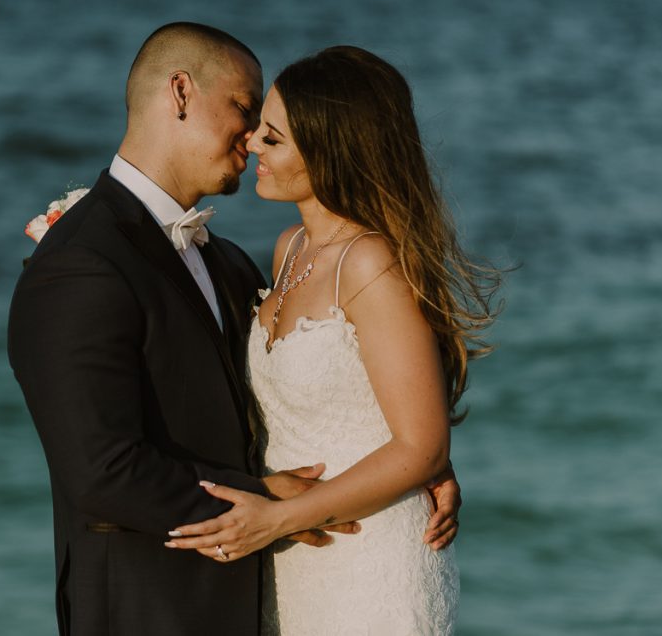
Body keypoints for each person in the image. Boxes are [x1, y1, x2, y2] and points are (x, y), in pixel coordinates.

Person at [8, 25, 462, 636]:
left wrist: (416, 459)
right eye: (245, 109)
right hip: (154, 607)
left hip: (306, 578)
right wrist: (270, 501)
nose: (252, 138)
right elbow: (101, 471)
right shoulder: (81, 261)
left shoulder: (228, 262)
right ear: (180, 94)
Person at [164, 46, 501, 635]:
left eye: (273, 138)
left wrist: (278, 518)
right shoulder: (289, 247)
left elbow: (422, 448)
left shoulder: (368, 263)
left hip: (371, 560)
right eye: (258, 131)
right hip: (295, 557)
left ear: (330, 153)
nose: (251, 146)